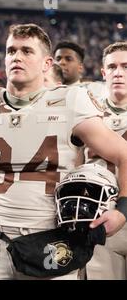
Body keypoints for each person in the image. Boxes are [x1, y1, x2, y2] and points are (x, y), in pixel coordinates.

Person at [0, 24, 127, 280]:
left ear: (47, 63)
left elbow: (123, 155)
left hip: (52, 241)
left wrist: (122, 210)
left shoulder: (70, 102)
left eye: (27, 51)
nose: (17, 57)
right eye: (11, 51)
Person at [85, 41, 127, 280]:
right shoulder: (88, 112)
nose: (118, 72)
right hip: (102, 216)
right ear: (103, 73)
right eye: (112, 67)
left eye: (126, 66)